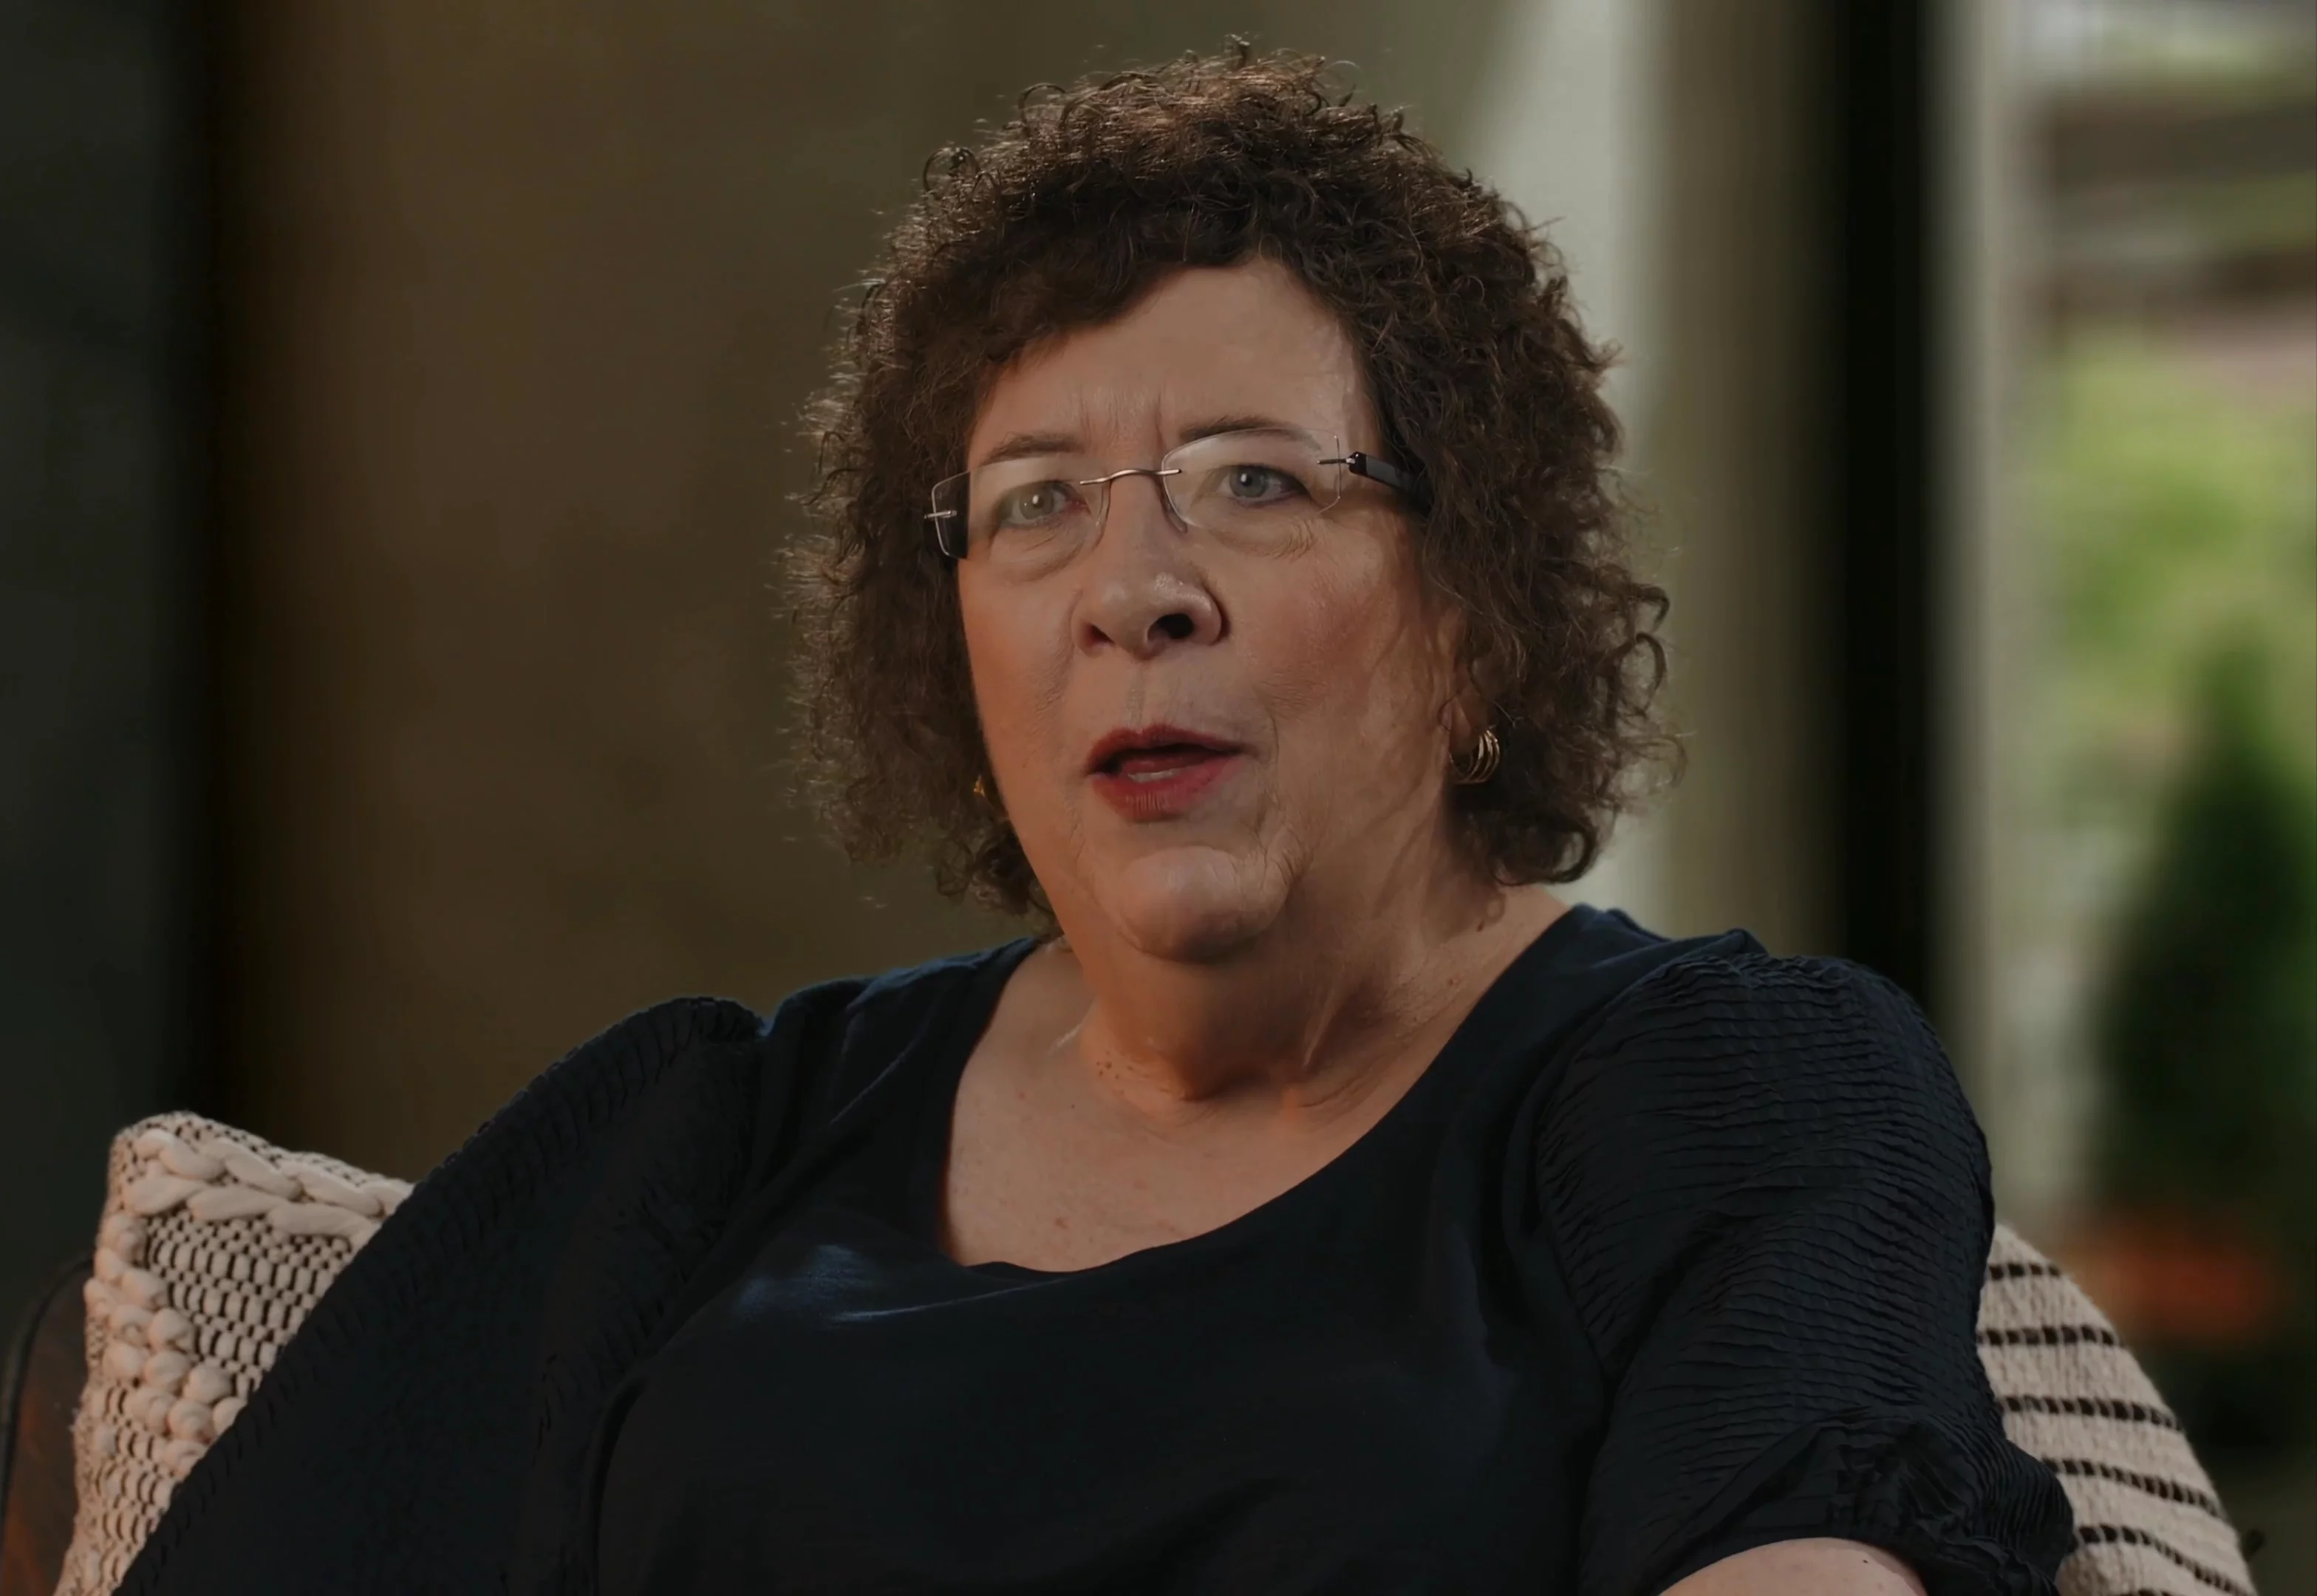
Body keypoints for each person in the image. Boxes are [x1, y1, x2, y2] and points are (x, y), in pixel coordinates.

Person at [114, 50, 2074, 1596]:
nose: (1133, 589)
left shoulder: (1737, 1089)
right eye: (1038, 504)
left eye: (1255, 482)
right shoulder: (695, 1144)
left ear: (1476, 613)